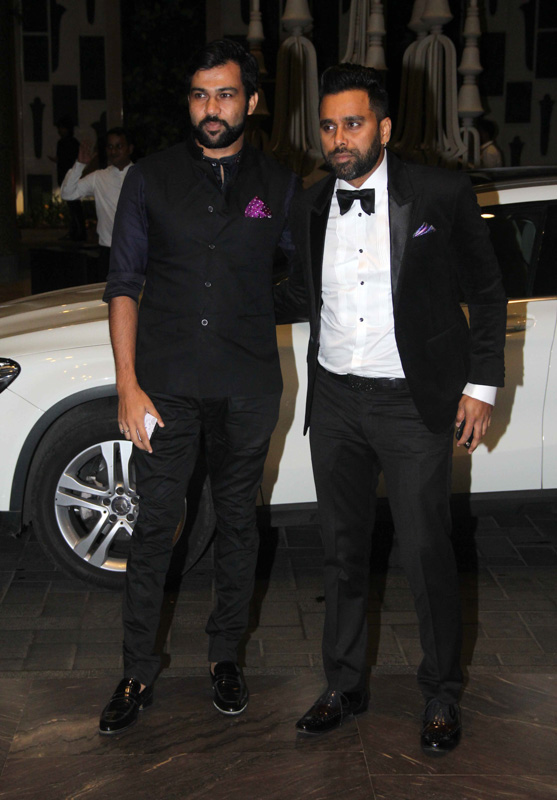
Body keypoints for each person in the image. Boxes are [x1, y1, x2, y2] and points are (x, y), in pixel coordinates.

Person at [274, 64, 507, 755]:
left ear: (383, 127)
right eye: (328, 126)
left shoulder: (438, 193)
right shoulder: (310, 203)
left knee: (427, 550)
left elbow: (486, 291)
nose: (338, 138)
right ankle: (343, 686)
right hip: (336, 400)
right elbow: (297, 293)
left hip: (412, 401)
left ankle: (441, 692)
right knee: (341, 553)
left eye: (352, 123)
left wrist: (481, 386)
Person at [98, 40, 297, 736]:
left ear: (251, 101)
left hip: (247, 385)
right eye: (200, 95)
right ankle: (135, 669)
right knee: (156, 526)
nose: (212, 108)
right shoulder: (148, 177)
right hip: (165, 388)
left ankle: (225, 656)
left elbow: (312, 277)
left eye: (226, 94)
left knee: (238, 522)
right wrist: (127, 385)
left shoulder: (280, 185)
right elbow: (124, 283)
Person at [61, 128, 135, 280]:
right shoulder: (99, 177)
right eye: (110, 147)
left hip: (136, 251)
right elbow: (67, 193)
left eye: (119, 146)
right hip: (108, 252)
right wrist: (80, 165)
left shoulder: (142, 176)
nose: (113, 151)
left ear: (130, 148)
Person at [51, 116, 86, 242]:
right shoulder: (71, 142)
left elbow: (67, 160)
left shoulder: (66, 143)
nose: (59, 131)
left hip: (69, 178)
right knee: (74, 206)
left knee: (74, 206)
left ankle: (78, 232)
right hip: (69, 177)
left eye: (61, 128)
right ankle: (77, 231)